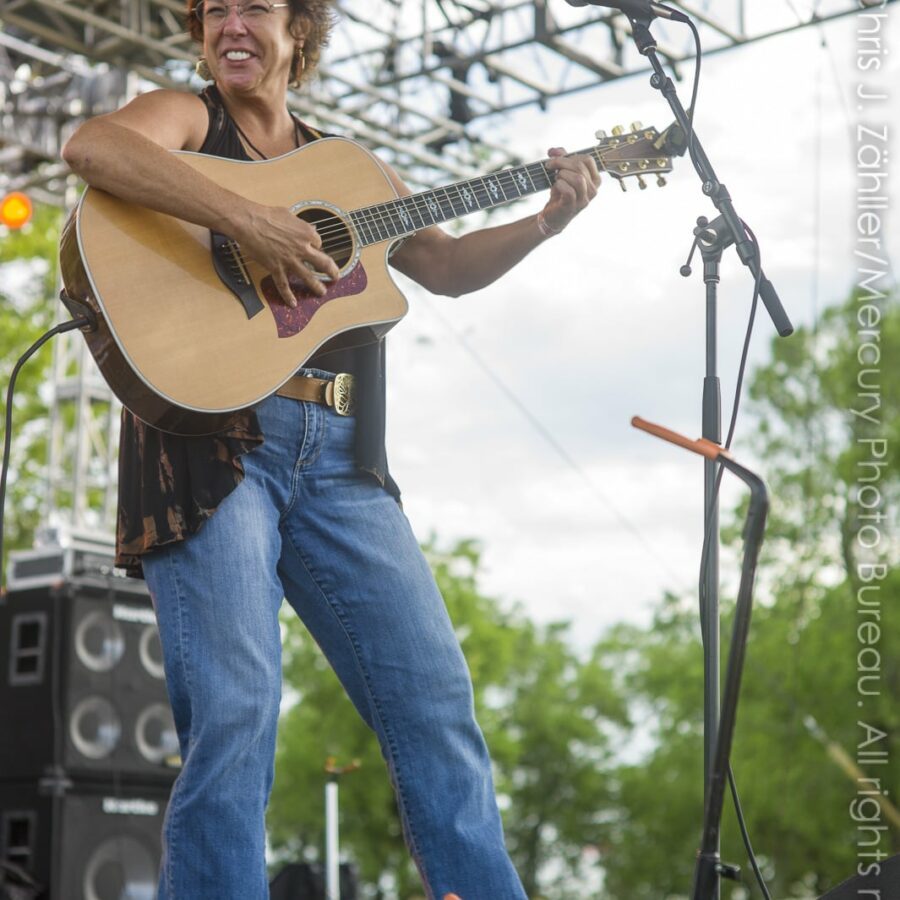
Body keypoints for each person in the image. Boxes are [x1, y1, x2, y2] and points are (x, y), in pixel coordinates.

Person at [61, 2, 600, 897]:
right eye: (215, 10)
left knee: (434, 703)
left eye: (256, 8)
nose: (232, 23)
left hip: (346, 460)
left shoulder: (348, 167)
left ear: (299, 33)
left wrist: (547, 220)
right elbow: (91, 147)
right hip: (221, 445)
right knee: (235, 713)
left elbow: (450, 267)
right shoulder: (188, 117)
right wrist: (247, 220)